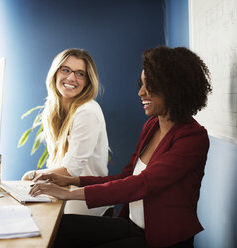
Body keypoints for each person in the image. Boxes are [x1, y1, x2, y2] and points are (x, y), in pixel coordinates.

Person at [29, 46, 212, 247]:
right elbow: (126, 177)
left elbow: (142, 184)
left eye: (149, 86)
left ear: (173, 88)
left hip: (160, 239)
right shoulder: (152, 125)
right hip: (133, 226)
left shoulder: (193, 138)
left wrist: (70, 193)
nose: (141, 92)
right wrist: (70, 180)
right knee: (59, 227)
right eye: (141, 84)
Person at [22, 48, 111, 216]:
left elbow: (71, 170)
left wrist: (32, 175)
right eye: (66, 70)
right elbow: (58, 164)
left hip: (85, 202)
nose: (71, 78)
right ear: (55, 73)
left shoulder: (86, 112)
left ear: (87, 81)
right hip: (63, 193)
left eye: (80, 74)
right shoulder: (53, 109)